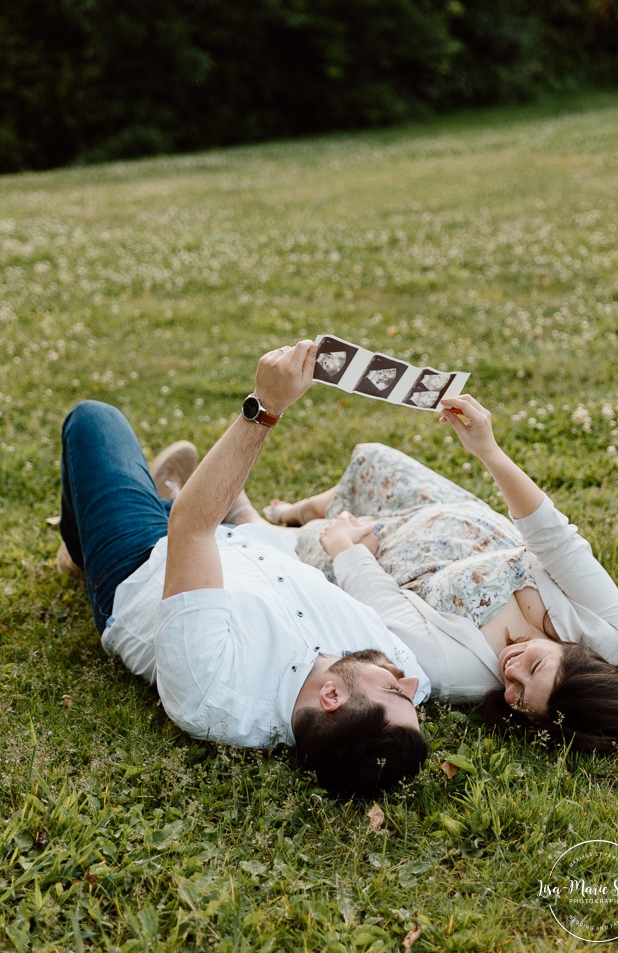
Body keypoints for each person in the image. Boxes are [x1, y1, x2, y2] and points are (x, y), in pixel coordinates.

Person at [56, 340, 431, 798]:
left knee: (95, 421)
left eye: (396, 693)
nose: (410, 682)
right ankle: (167, 491)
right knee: (180, 498)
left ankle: (84, 546)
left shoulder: (214, 689)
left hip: (147, 560)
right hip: (248, 541)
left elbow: (191, 529)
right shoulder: (396, 670)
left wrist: (267, 406)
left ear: (331, 698)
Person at [260, 394, 618, 754]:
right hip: (462, 521)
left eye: (519, 696)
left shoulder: (459, 675)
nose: (511, 673)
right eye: (535, 669)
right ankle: (291, 510)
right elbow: (554, 539)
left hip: (391, 552)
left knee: (305, 537)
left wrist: (346, 549)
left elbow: (387, 608)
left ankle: (261, 519)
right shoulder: (609, 634)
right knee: (375, 463)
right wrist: (487, 449)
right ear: (578, 656)